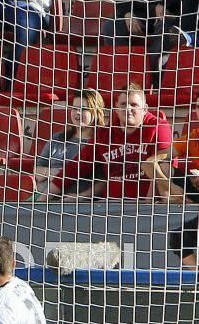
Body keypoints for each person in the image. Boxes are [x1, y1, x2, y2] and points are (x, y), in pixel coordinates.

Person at [42, 84, 172, 200]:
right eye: (123, 104)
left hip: (144, 206)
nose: (127, 109)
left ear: (145, 109)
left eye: (134, 105)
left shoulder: (158, 127)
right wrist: (42, 199)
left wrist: (148, 206)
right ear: (116, 107)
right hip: (109, 208)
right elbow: (74, 168)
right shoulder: (105, 134)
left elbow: (163, 168)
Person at [143, 114, 199, 267]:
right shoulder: (192, 138)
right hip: (192, 192)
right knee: (178, 238)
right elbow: (148, 163)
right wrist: (170, 186)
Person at [35, 89, 105, 183]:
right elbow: (37, 171)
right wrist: (51, 172)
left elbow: (102, 181)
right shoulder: (58, 138)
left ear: (96, 113)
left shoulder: (102, 142)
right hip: (46, 192)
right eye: (75, 108)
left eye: (84, 109)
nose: (78, 112)